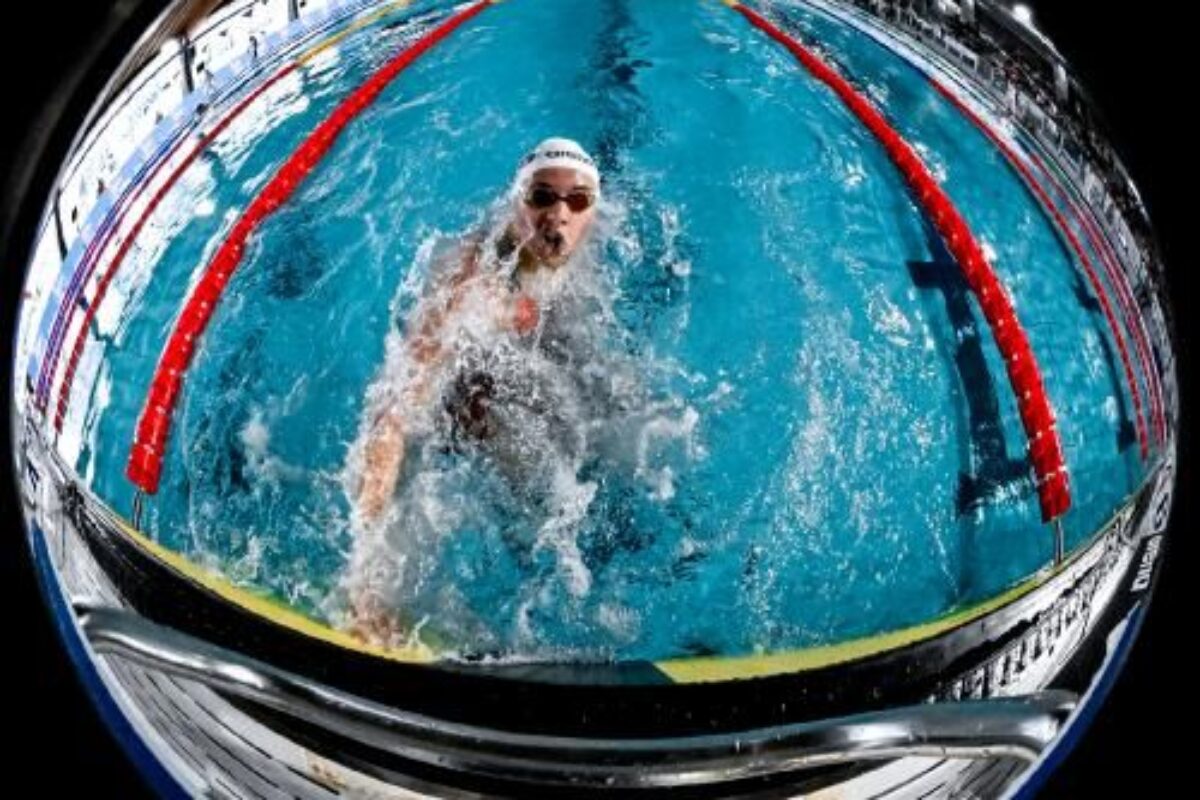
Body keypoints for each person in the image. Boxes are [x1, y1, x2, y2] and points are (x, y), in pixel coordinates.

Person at [345, 137, 608, 644]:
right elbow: (393, 416)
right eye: (540, 197)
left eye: (576, 200)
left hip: (541, 368)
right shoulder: (475, 281)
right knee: (539, 498)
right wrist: (365, 578)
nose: (558, 214)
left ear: (594, 211)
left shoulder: (584, 251)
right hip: (468, 415)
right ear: (517, 204)